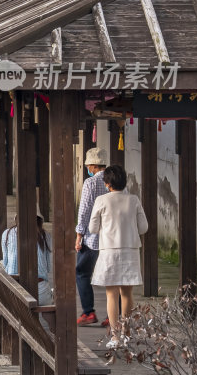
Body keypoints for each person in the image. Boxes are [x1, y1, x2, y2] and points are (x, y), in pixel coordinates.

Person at [88, 164, 148, 349]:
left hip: (109, 251)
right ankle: (127, 332)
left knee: (111, 294)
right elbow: (144, 227)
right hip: (130, 250)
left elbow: (92, 228)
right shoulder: (134, 200)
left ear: (107, 183)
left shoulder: (101, 200)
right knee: (127, 293)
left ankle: (115, 337)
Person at [75, 146, 109, 326]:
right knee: (113, 277)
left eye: (88, 165)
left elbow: (85, 210)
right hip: (111, 238)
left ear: (93, 166)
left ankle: (89, 312)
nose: (87, 168)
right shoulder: (115, 181)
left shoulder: (91, 183)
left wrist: (79, 234)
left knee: (81, 273)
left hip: (92, 238)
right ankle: (113, 315)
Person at [1, 208, 53, 305]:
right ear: (39, 220)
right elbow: (48, 267)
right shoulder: (46, 236)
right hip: (41, 291)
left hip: (15, 289)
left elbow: (5, 263)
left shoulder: (7, 234)